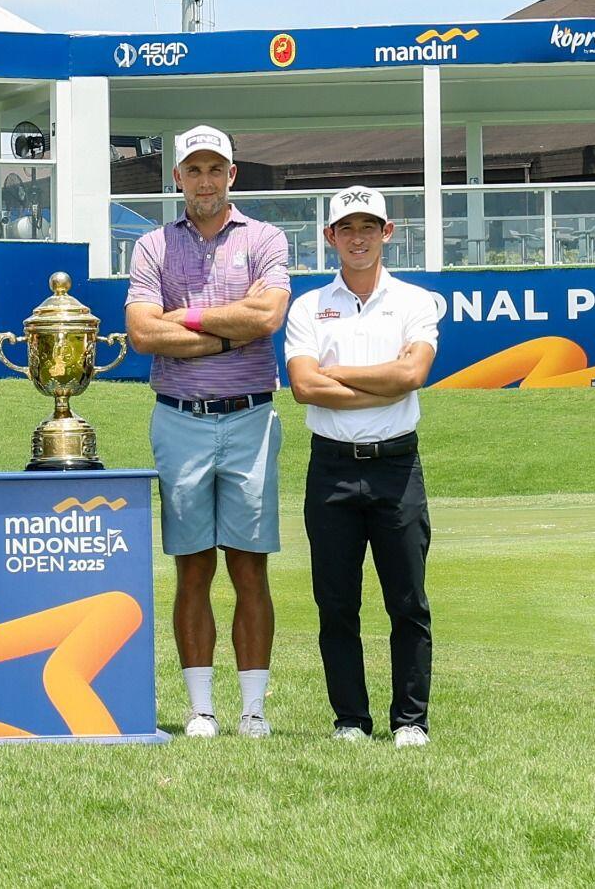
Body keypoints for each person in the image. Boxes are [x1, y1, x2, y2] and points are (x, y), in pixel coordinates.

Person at [124, 125, 291, 740]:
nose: (204, 180)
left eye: (214, 169)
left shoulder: (266, 239)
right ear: (177, 178)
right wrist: (231, 332)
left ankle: (252, 710)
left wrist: (187, 318)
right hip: (180, 418)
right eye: (193, 170)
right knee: (192, 567)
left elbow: (267, 315)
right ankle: (201, 710)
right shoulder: (151, 247)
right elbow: (144, 333)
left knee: (250, 567)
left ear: (232, 175)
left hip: (250, 417)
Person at [283, 185, 438, 747]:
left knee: (408, 601)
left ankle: (410, 721)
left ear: (387, 233)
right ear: (330, 237)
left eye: (368, 227)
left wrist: (339, 375)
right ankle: (350, 718)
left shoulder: (416, 301)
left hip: (397, 468)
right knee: (336, 602)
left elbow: (412, 376)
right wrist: (380, 380)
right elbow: (303, 386)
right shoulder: (308, 306)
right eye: (346, 228)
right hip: (331, 470)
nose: (357, 238)